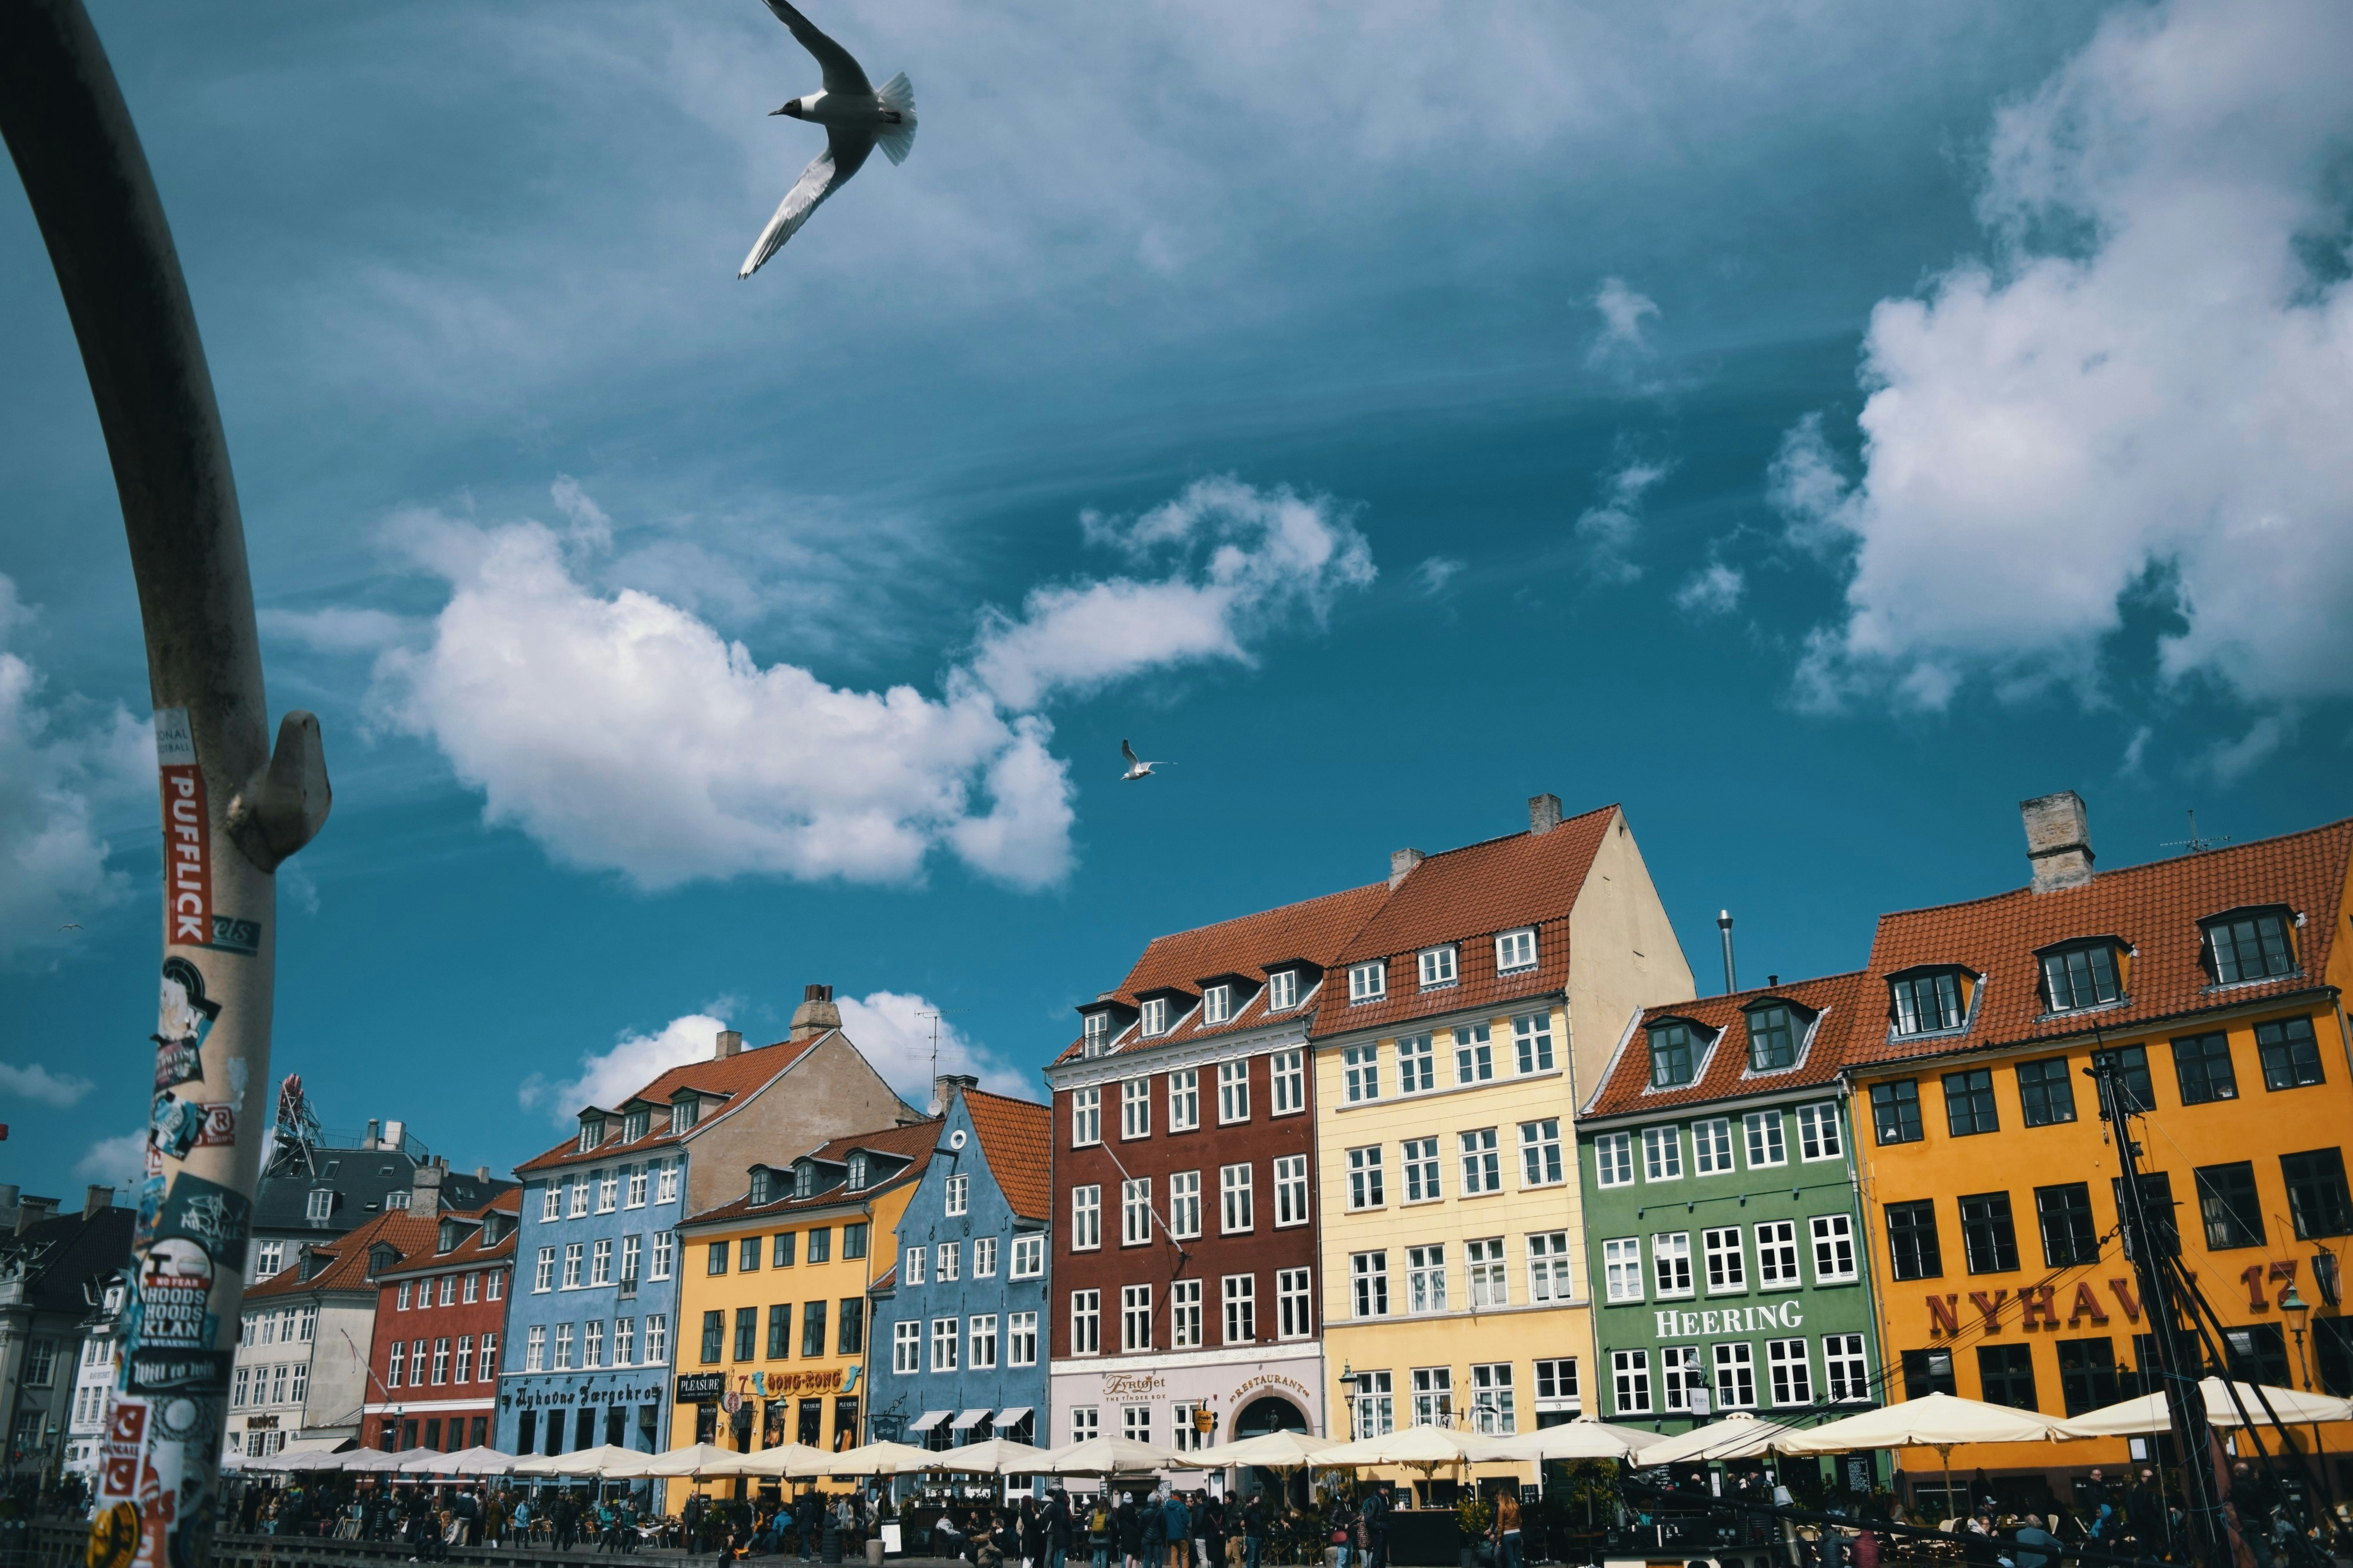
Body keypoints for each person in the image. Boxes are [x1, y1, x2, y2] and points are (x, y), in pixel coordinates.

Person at [1494, 1487, 1523, 1568]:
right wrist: (1519, 1531)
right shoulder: (1516, 1506)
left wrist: (1499, 1539)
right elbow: (1520, 1521)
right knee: (1518, 1558)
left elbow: (1500, 1524)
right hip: (1517, 1533)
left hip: (1507, 1534)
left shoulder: (1502, 1507)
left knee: (1510, 1559)